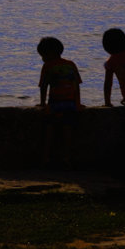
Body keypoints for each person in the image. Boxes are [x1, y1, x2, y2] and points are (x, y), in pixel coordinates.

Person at [37, 36, 82, 167]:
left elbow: (43, 86)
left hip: (55, 103)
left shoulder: (48, 66)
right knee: (68, 131)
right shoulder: (70, 64)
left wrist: (43, 103)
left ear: (47, 54)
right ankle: (66, 158)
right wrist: (78, 103)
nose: (42, 59)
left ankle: (46, 158)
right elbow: (77, 85)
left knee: (49, 130)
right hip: (70, 103)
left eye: (42, 55)